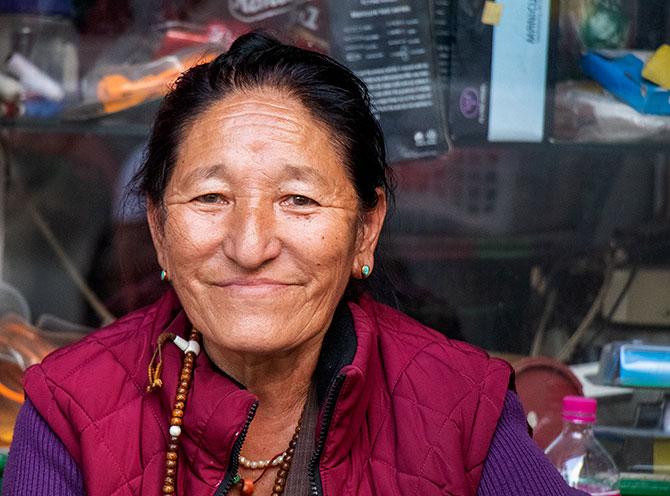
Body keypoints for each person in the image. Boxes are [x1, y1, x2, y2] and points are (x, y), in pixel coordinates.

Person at [3, 32, 588, 496]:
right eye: (211, 198)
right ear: (158, 228)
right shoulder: (71, 406)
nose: (250, 246)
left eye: (298, 200)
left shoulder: (461, 405)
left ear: (366, 229)